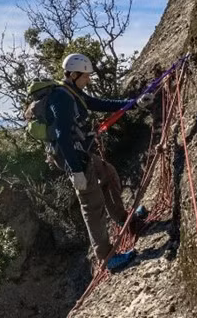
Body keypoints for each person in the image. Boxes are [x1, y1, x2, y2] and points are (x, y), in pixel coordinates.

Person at [47, 53, 154, 271]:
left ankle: (126, 220)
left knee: (108, 174)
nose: (89, 80)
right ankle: (107, 258)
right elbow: (62, 135)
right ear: (75, 74)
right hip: (73, 157)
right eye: (86, 76)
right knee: (92, 205)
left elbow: (98, 103)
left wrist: (133, 104)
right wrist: (75, 171)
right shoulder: (62, 97)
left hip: (81, 153)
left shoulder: (73, 92)